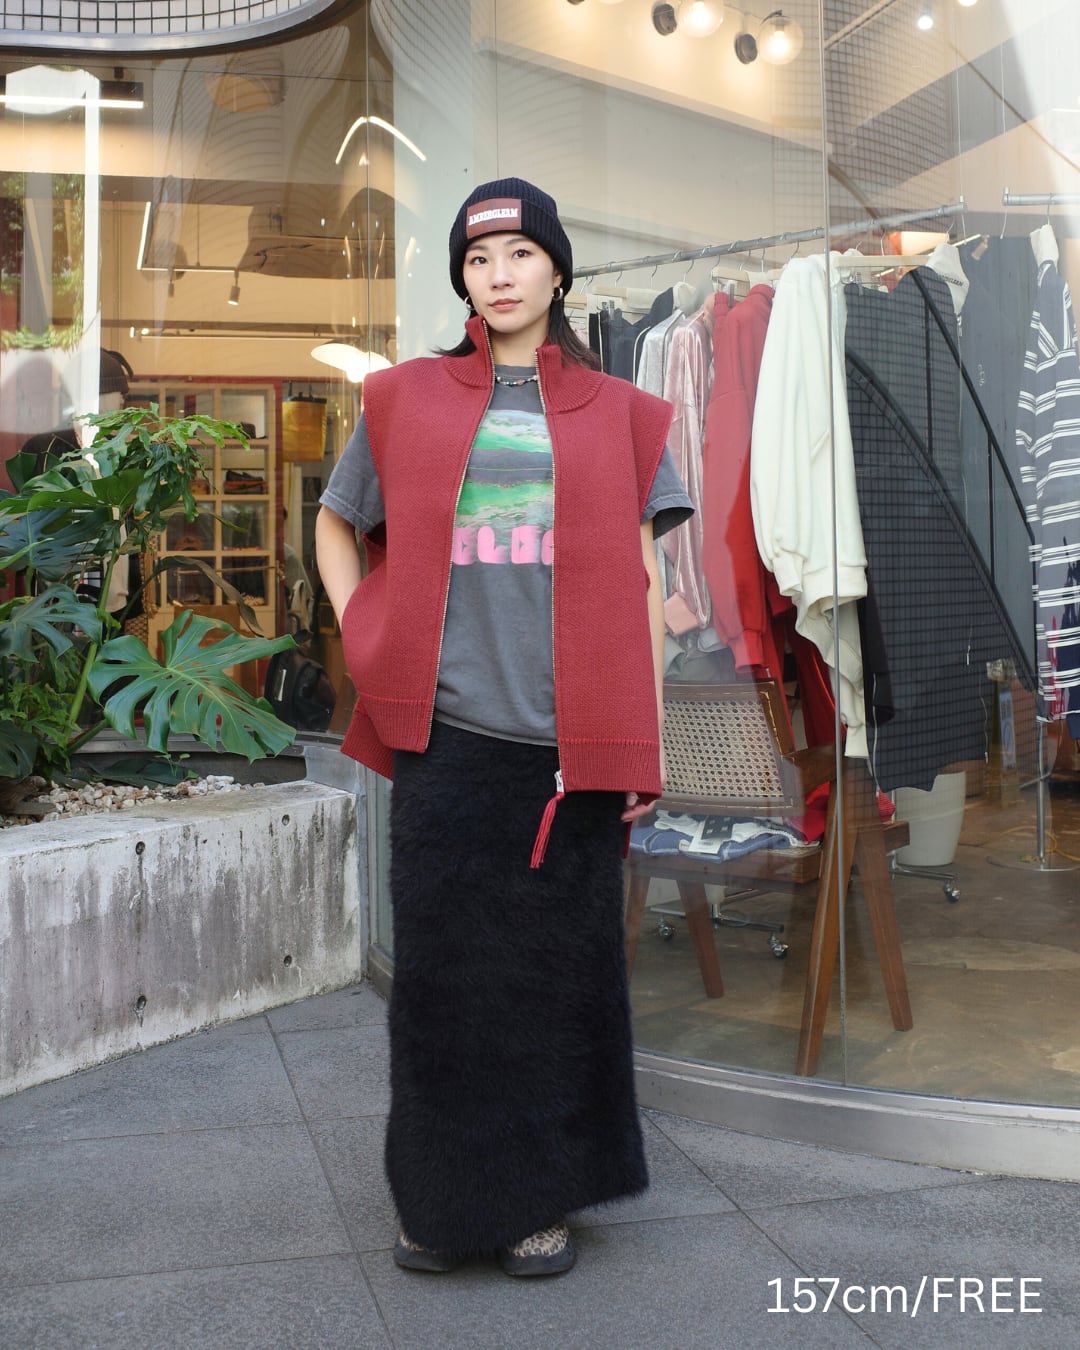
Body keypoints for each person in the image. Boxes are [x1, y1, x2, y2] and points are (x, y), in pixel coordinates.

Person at [315, 178, 693, 1278]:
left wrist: (641, 734)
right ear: (463, 280)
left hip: (572, 745)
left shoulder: (622, 413)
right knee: (442, 986)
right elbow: (337, 525)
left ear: (558, 270)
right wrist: (366, 629)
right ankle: (439, 1207)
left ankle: (538, 1203)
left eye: (521, 253)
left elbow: (644, 583)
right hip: (448, 738)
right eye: (479, 259)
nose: (500, 274)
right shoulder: (405, 399)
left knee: (554, 983)